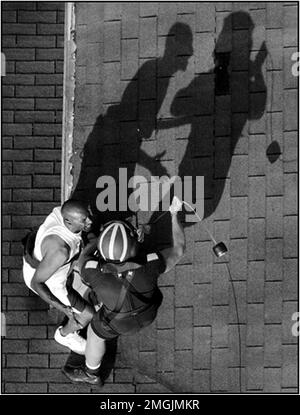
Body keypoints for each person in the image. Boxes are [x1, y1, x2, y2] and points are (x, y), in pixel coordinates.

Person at [62, 196, 185, 385]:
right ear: (134, 245)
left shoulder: (91, 271)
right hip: (147, 313)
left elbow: (84, 257)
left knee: (95, 335)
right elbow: (178, 249)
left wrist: (96, 241)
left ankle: (91, 373)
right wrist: (174, 215)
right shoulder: (151, 263)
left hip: (118, 323)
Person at [22, 199, 95, 354]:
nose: (89, 220)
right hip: (49, 283)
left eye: (87, 215)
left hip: (42, 264)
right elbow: (37, 283)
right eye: (84, 220)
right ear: (68, 221)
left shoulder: (60, 212)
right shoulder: (60, 251)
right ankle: (65, 335)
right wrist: (63, 309)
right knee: (88, 314)